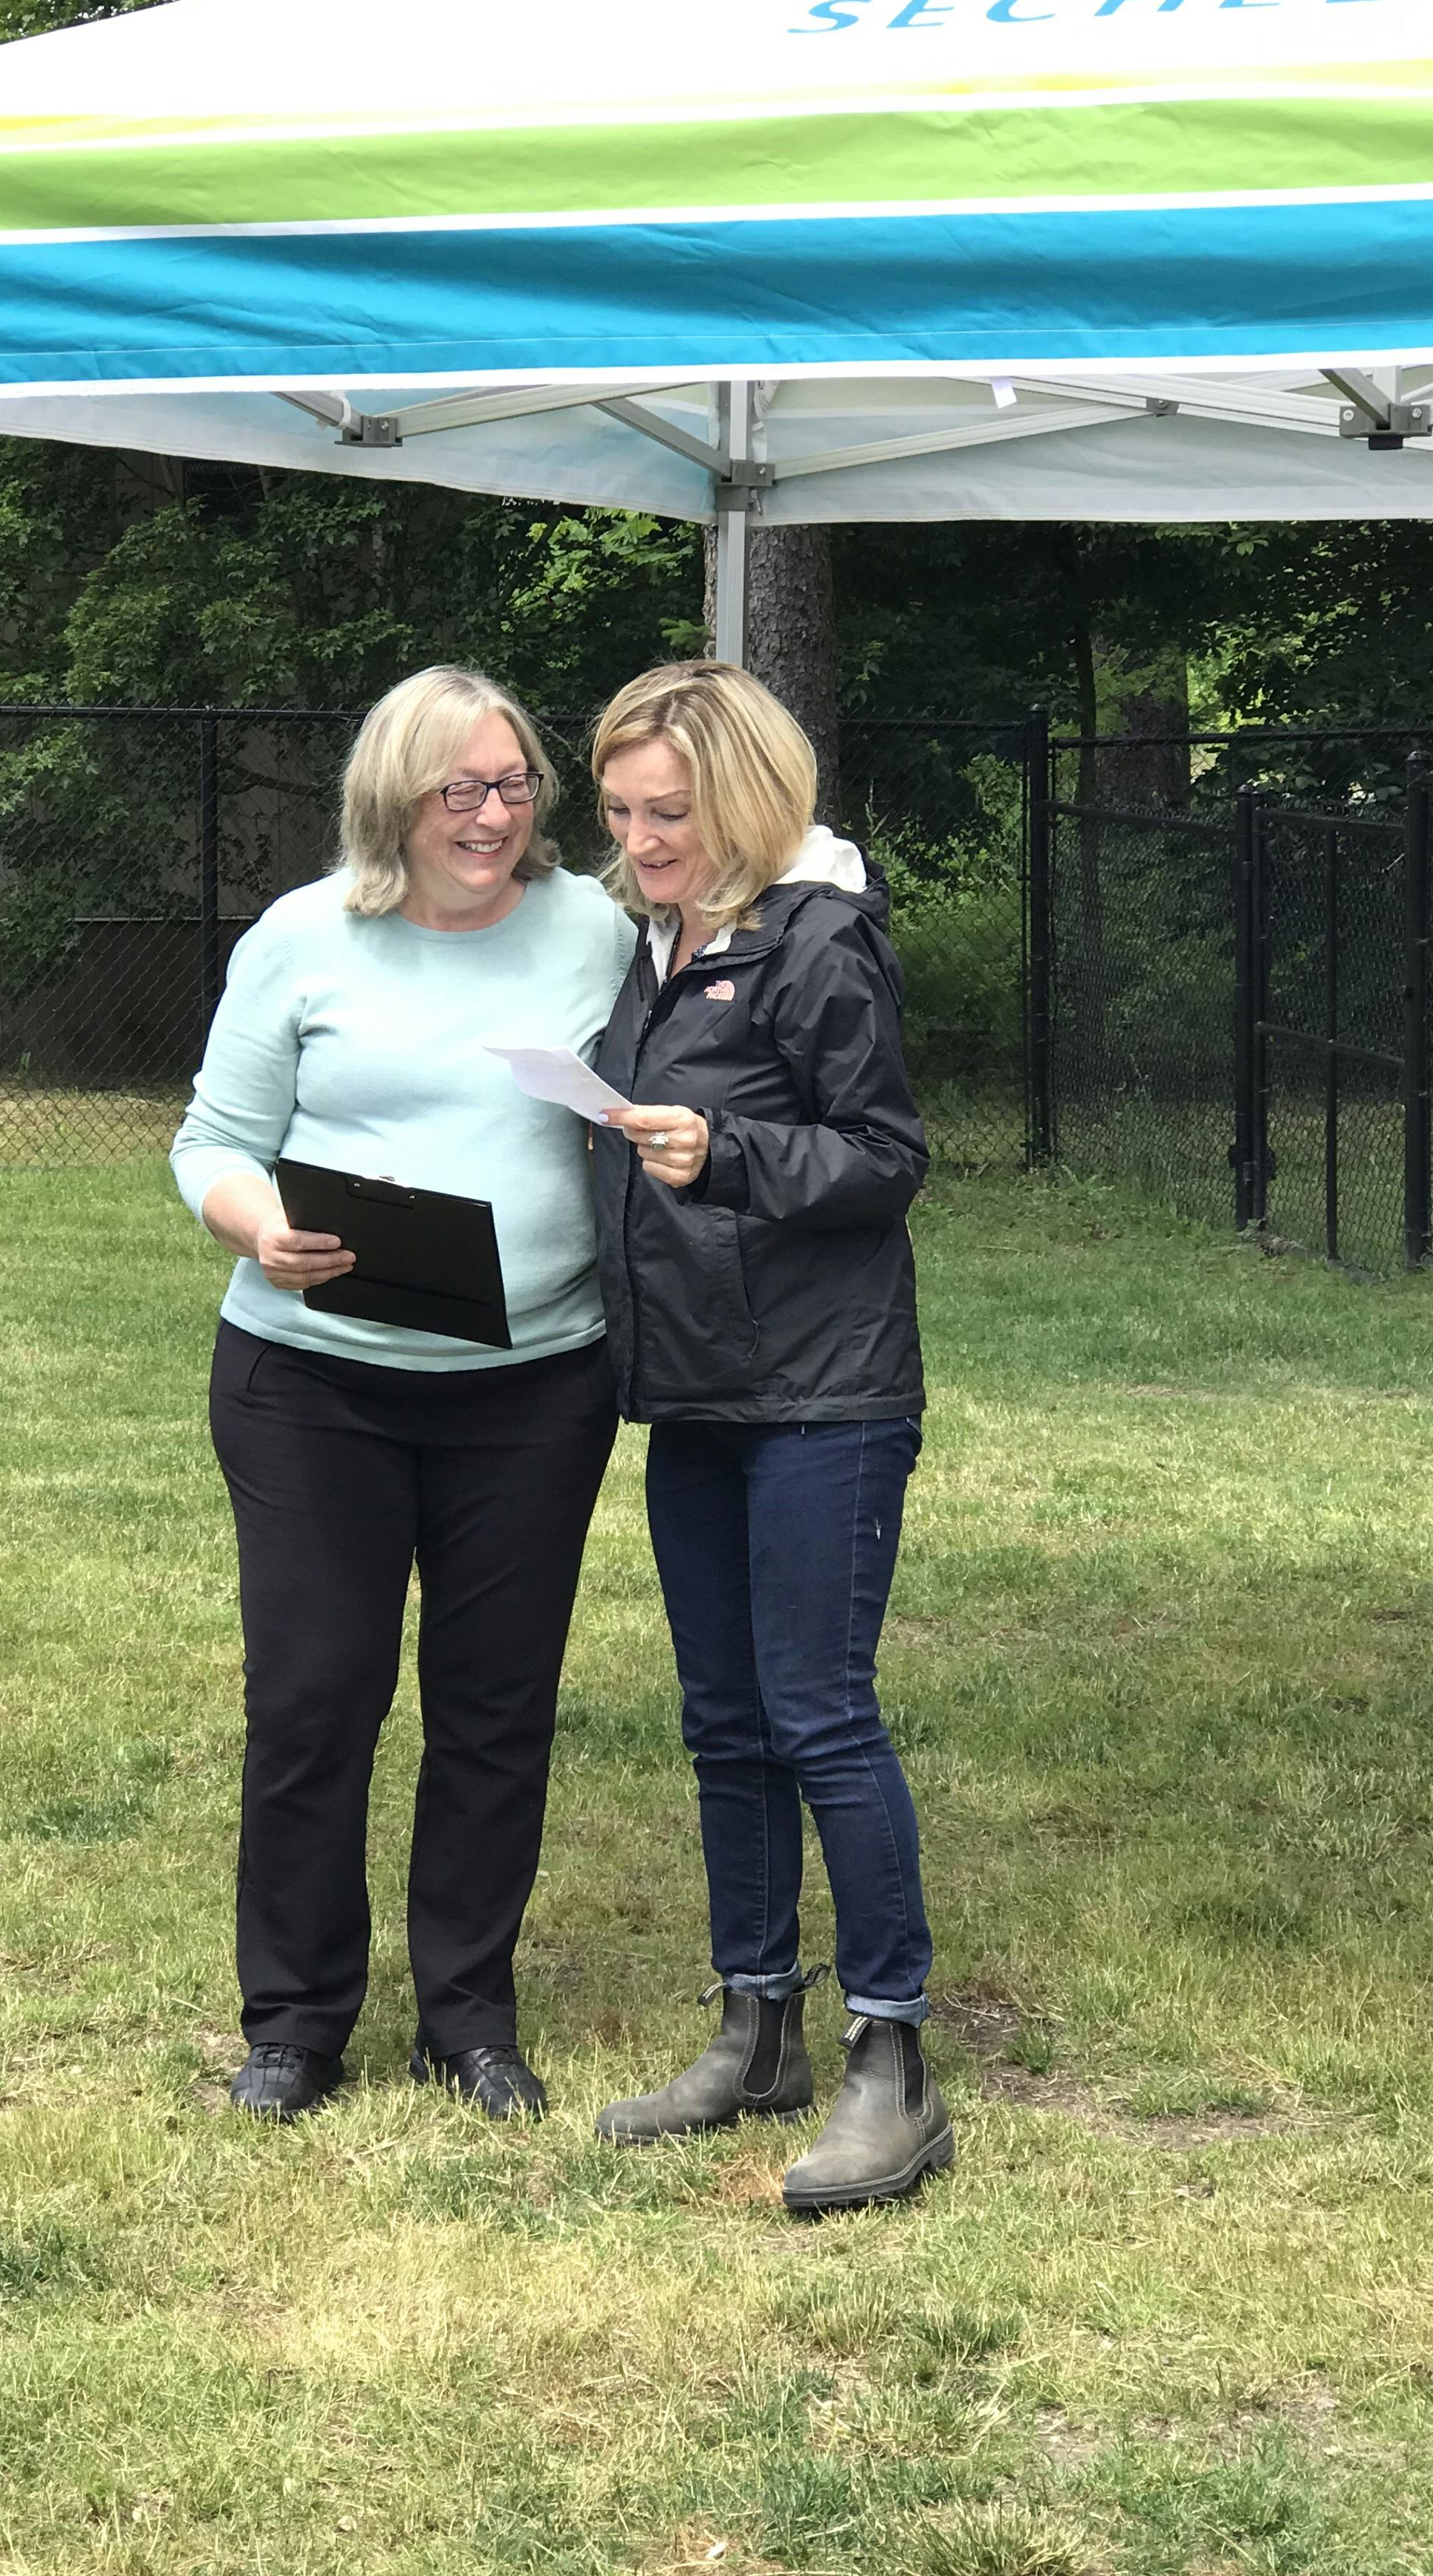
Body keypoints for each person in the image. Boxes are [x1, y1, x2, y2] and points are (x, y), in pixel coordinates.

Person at [171, 666, 637, 2125]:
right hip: (316, 1388)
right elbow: (212, 1145)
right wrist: (261, 1227)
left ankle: (470, 2020)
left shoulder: (596, 932)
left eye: (514, 788)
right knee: (318, 1701)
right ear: (395, 801)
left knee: (496, 1710)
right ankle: (297, 2024)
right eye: (461, 792)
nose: (494, 816)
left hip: (534, 1390)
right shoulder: (305, 939)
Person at [585, 660, 949, 2213]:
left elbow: (884, 1157)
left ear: (743, 799)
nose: (641, 839)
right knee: (722, 1721)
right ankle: (756, 2026)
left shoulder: (817, 941)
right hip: (700, 1389)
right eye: (617, 811)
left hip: (828, 1393)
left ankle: (894, 2061)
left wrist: (722, 1152)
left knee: (818, 1713)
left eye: (669, 812)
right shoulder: (658, 941)